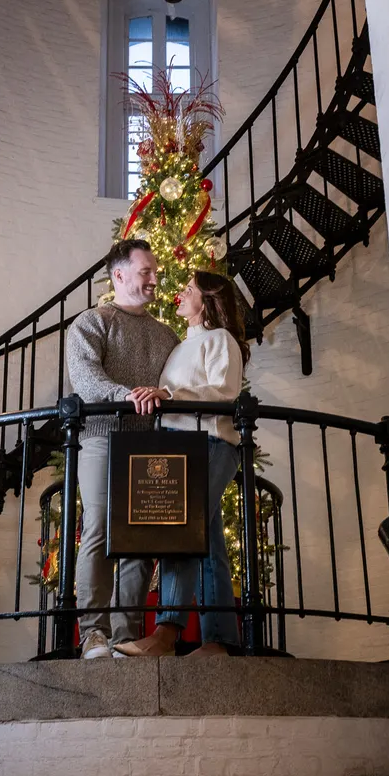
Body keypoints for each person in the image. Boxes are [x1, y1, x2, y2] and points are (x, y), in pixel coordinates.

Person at [114, 271, 249, 658]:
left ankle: (167, 634)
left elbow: (224, 391)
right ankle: (219, 641)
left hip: (209, 442)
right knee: (208, 544)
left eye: (189, 289)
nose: (180, 293)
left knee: (179, 534)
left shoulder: (221, 340)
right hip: (178, 447)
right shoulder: (178, 348)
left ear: (207, 300)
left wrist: (169, 393)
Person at [66, 239, 178, 658]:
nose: (154, 278)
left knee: (141, 538)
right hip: (101, 435)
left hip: (149, 442)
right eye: (145, 271)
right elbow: (86, 379)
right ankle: (92, 633)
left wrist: (162, 392)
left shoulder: (166, 334)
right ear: (119, 276)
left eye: (154, 271)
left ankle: (125, 636)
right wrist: (129, 394)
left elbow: (178, 384)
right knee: (98, 525)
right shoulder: (92, 322)